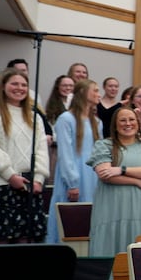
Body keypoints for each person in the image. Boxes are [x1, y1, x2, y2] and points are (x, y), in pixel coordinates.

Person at [87, 106, 141, 280]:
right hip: (110, 210)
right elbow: (104, 174)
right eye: (123, 121)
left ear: (138, 124)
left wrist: (121, 169)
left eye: (131, 120)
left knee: (135, 251)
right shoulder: (104, 145)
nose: (128, 124)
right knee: (110, 250)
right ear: (115, 125)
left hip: (137, 211)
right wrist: (135, 181)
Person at [0, 69, 49, 243]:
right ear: (3, 86)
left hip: (28, 186)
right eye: (14, 83)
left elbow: (41, 149)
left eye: (24, 85)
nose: (19, 88)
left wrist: (39, 178)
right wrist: (10, 175)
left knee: (25, 240)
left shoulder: (34, 117)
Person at [45, 79, 102, 243]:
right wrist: (72, 183)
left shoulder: (96, 122)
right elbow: (65, 153)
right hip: (73, 173)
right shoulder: (66, 119)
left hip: (91, 175)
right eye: (95, 90)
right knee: (70, 219)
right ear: (84, 93)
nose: (99, 94)